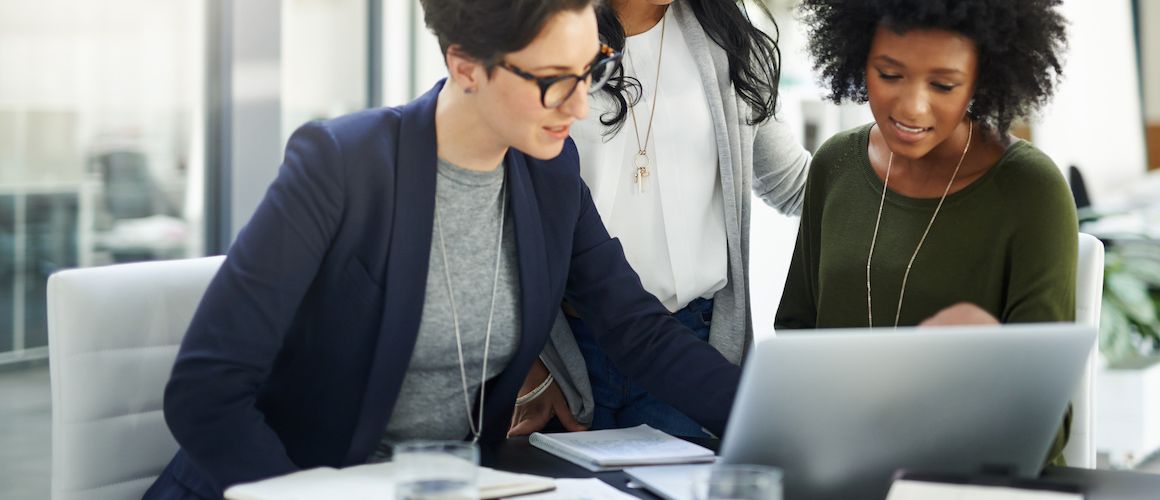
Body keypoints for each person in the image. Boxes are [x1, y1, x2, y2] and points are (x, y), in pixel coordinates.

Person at [142, 1, 744, 498]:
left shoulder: (550, 173)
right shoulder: (341, 166)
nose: (581, 105)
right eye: (554, 80)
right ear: (466, 66)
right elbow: (205, 390)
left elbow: (638, 331)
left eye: (592, 71)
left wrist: (766, 422)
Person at [776, 0, 1076, 464]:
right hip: (842, 469)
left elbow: (1047, 424)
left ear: (984, 77)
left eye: (943, 84)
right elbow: (795, 340)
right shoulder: (835, 165)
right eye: (890, 74)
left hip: (974, 482)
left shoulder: (1030, 191)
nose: (912, 106)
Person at [509, 0, 810, 438]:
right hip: (564, 352)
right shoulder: (545, 37)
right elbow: (494, 216)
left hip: (688, 347)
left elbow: (796, 185)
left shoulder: (729, 39)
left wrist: (910, 164)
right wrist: (525, 363)